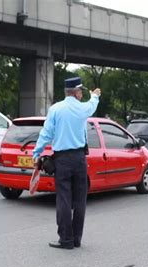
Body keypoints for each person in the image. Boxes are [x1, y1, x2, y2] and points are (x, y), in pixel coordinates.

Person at [32, 77, 101, 250]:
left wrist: (36, 153)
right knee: (80, 200)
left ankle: (66, 240)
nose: (82, 94)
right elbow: (92, 105)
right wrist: (94, 96)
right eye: (81, 91)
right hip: (79, 159)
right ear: (77, 92)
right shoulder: (83, 108)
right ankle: (77, 238)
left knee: (63, 199)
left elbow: (46, 133)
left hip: (62, 159)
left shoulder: (55, 109)